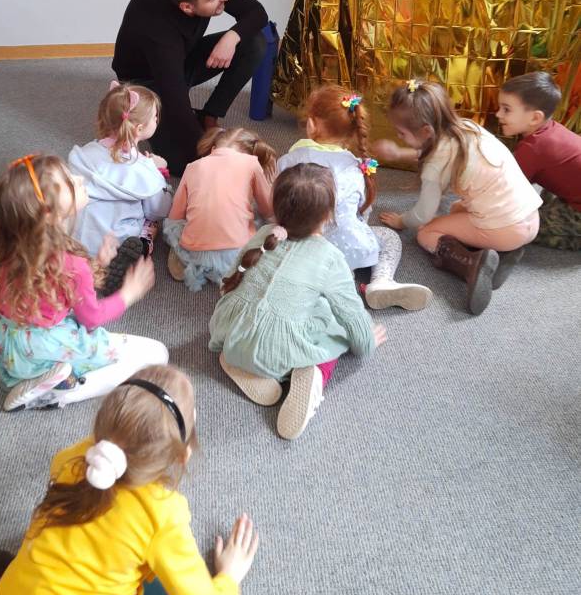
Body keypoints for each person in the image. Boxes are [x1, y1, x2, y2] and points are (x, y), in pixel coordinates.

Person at [0, 365, 260, 595]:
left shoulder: (78, 458)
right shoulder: (162, 515)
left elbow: (59, 467)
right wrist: (229, 576)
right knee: (166, 591)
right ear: (182, 457)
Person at [0, 154, 168, 411]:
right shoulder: (72, 264)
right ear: (48, 212)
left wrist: (96, 264)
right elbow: (91, 318)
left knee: (0, 314)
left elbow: (55, 285)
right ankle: (56, 391)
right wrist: (128, 294)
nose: (79, 179)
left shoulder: (14, 243)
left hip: (8, 331)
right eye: (69, 181)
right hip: (42, 347)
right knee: (157, 355)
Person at [209, 164, 386, 441]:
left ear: (276, 204)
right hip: (276, 349)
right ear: (328, 215)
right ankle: (315, 374)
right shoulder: (330, 257)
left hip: (228, 330)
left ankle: (241, 362)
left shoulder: (265, 233)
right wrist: (366, 343)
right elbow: (351, 312)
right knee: (332, 323)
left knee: (295, 303)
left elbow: (231, 278)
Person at [374, 79, 542, 315]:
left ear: (426, 131)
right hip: (530, 216)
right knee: (455, 208)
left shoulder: (435, 164)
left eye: (401, 133)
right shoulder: (467, 128)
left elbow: (422, 214)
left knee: (426, 233)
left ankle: (471, 266)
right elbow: (433, 151)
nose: (399, 137)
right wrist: (399, 153)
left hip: (506, 228)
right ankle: (501, 252)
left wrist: (401, 221)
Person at [112, 0, 268, 175]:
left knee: (254, 42)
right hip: (147, 81)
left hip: (182, 58)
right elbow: (175, 99)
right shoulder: (156, 28)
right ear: (187, 7)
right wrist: (209, 151)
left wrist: (231, 37)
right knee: (183, 164)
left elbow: (257, 12)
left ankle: (209, 116)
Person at [277, 84, 432, 311]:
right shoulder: (356, 167)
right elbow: (362, 211)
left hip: (298, 247)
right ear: (352, 132)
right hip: (348, 247)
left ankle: (332, 284)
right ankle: (380, 281)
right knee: (389, 238)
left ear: (311, 124)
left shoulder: (288, 161)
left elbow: (276, 203)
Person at [69, 83, 173, 294]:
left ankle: (84, 265)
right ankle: (139, 248)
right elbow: (159, 210)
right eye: (155, 117)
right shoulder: (143, 170)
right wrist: (160, 172)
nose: (157, 120)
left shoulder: (84, 154)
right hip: (113, 242)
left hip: (75, 239)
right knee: (152, 221)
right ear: (139, 129)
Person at [163, 127, 275, 291]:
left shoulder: (192, 166)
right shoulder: (252, 163)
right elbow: (268, 210)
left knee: (177, 225)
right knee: (263, 221)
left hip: (195, 249)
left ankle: (185, 261)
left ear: (213, 149)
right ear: (251, 153)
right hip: (238, 253)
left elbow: (175, 215)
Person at [497, 71, 581, 250]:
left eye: (506, 109)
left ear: (535, 118)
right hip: (572, 194)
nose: (498, 114)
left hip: (576, 210)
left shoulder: (533, 148)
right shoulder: (551, 130)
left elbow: (502, 191)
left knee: (516, 227)